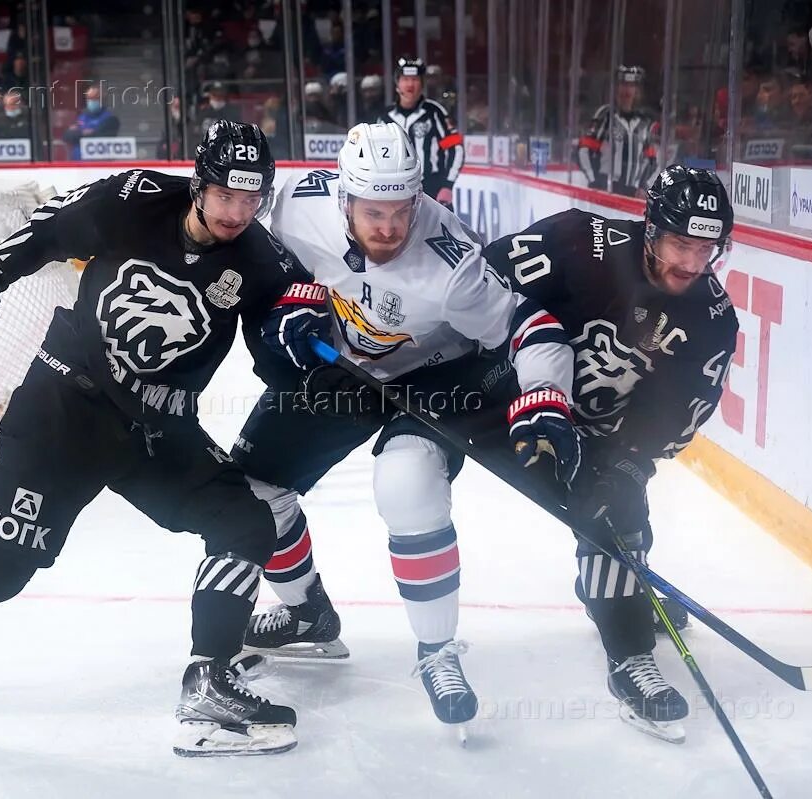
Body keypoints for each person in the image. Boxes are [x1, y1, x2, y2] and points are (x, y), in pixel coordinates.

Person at [0, 121, 319, 758]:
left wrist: (305, 347)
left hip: (155, 430)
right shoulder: (136, 199)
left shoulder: (262, 260)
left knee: (244, 523)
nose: (237, 212)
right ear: (199, 185)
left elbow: (281, 342)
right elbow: (51, 230)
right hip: (64, 409)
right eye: (226, 196)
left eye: (252, 201)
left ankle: (208, 682)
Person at [231, 122, 577, 731]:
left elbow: (534, 329)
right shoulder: (295, 206)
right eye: (373, 212)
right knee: (250, 488)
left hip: (436, 380)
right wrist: (282, 312)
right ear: (343, 199)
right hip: (344, 370)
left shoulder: (453, 265)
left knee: (407, 484)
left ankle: (438, 651)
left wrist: (546, 394)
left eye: (401, 211)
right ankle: (307, 613)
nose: (389, 228)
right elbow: (232, 231)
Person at [480, 165, 738, 743]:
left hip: (594, 433)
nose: (693, 263)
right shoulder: (580, 240)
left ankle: (628, 656)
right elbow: (481, 285)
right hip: (501, 402)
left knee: (620, 519)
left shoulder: (712, 320)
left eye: (706, 249)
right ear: (652, 230)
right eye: (681, 244)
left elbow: (671, 415)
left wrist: (627, 465)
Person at [382, 57, 463, 209]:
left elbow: (456, 147)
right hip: (394, 193)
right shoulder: (385, 117)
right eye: (405, 79)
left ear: (422, 84)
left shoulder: (435, 113)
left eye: (415, 79)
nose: (410, 84)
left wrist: (447, 185)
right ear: (397, 83)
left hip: (432, 191)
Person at [576, 65, 658, 197]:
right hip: (606, 193)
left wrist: (642, 186)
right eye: (623, 84)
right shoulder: (605, 116)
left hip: (632, 195)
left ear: (637, 90)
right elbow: (583, 150)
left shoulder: (644, 122)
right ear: (615, 89)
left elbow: (651, 160)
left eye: (631, 85)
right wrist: (595, 182)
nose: (626, 90)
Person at [63, 85, 121, 159]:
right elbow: (67, 136)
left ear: (102, 100)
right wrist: (83, 133)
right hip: (77, 163)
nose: (91, 101)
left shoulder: (110, 119)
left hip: (99, 163)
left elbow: (97, 135)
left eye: (95, 98)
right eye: (89, 98)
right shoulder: (82, 117)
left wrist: (79, 133)